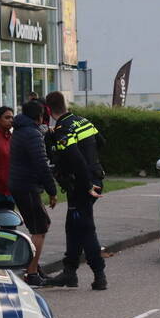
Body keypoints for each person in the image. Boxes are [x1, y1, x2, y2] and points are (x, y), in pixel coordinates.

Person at [42, 91, 108, 291]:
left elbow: (75, 158)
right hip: (94, 177)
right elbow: (102, 142)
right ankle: (69, 273)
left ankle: (99, 274)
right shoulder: (82, 121)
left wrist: (86, 184)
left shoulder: (63, 129)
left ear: (48, 110)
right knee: (73, 226)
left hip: (82, 185)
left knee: (85, 227)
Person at [10, 100, 58, 287]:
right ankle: (31, 273)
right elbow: (41, 164)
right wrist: (52, 190)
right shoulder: (32, 134)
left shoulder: (21, 129)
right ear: (39, 117)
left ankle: (35, 268)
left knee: (40, 224)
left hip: (19, 183)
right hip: (27, 185)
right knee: (39, 228)